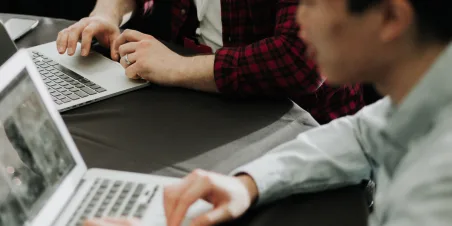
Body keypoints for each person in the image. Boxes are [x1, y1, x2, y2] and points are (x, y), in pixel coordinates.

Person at [83, 0, 452, 225]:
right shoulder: (422, 94)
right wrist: (246, 184)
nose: (299, 23)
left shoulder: (433, 192)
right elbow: (362, 135)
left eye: (313, 3)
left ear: (390, 18)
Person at [55, 0, 365, 124]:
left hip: (306, 127)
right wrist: (106, 15)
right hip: (207, 98)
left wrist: (175, 67)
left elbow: (301, 60)